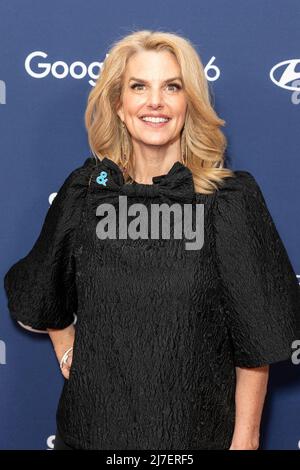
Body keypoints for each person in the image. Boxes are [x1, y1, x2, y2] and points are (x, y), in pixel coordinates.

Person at [4, 30, 300, 451]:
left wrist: (246, 440)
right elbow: (37, 287)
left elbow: (256, 336)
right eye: (139, 86)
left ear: (189, 103)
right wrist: (65, 343)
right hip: (91, 433)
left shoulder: (228, 201)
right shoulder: (86, 192)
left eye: (172, 87)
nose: (155, 102)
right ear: (119, 105)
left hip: (196, 438)